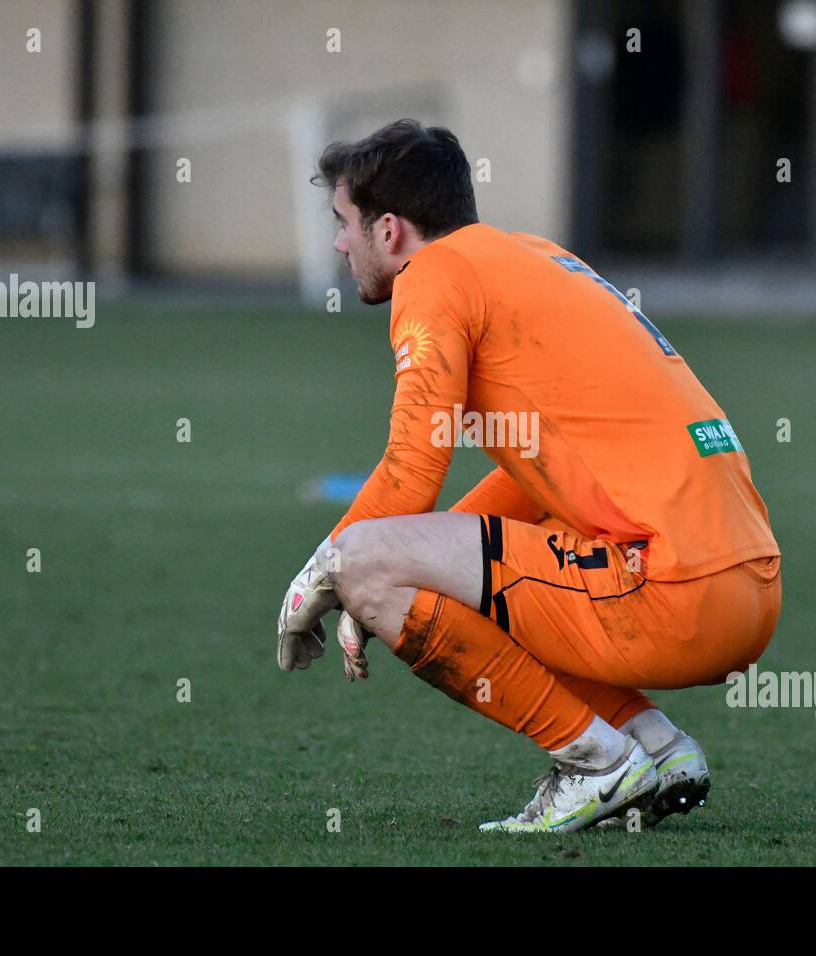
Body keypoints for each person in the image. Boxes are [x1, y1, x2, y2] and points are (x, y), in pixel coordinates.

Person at [277, 119, 781, 833]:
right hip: (748, 586)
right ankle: (654, 748)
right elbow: (536, 479)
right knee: (440, 560)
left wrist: (327, 572)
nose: (338, 243)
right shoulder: (537, 257)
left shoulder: (434, 278)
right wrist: (422, 553)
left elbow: (411, 470)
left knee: (365, 563)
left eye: (343, 222)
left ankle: (593, 764)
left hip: (672, 592)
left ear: (389, 231)